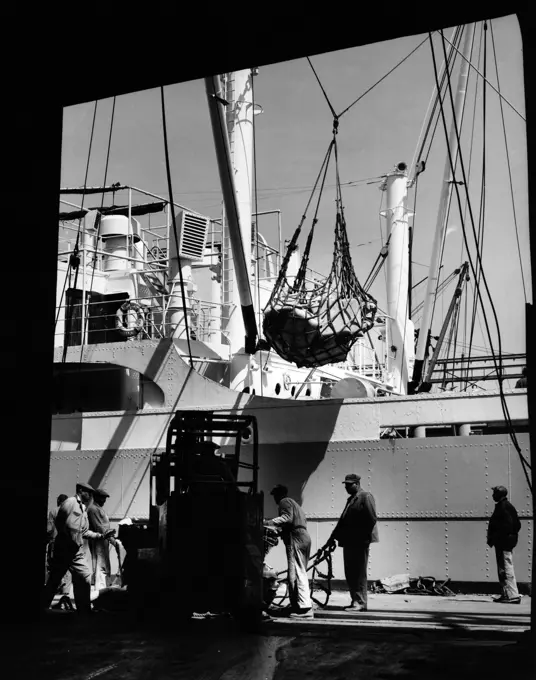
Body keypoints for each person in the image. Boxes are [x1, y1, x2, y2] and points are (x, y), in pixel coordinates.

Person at [42, 482, 115, 615]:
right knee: (55, 578)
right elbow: (60, 522)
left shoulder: (83, 509)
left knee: (83, 575)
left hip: (75, 551)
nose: (91, 495)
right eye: (88, 492)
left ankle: (84, 609)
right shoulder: (70, 503)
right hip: (65, 549)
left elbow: (84, 531)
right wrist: (66, 539)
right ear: (81, 491)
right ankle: (43, 606)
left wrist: (101, 535)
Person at [328, 473, 378, 612]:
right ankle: (355, 600)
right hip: (349, 542)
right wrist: (332, 538)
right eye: (346, 485)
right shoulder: (351, 499)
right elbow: (342, 521)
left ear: (357, 484)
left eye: (349, 485)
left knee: (359, 572)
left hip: (359, 542)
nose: (347, 487)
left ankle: (361, 602)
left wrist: (360, 536)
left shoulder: (365, 497)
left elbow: (371, 519)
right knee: (350, 572)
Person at [263, 484, 313, 619]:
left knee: (296, 573)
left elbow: (287, 518)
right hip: (303, 536)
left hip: (296, 538)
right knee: (298, 571)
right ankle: (297, 604)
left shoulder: (284, 502)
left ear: (279, 494)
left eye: (275, 495)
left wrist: (268, 523)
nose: (274, 498)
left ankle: (304, 608)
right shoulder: (295, 504)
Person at [487, 485, 522, 604]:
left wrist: (498, 537)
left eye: (494, 493)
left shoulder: (503, 507)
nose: (492, 496)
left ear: (499, 494)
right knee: (504, 567)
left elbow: (508, 526)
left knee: (506, 568)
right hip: (505, 542)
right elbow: (517, 525)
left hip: (503, 542)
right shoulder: (506, 506)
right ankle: (506, 594)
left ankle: (512, 595)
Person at [87, 488, 121, 592]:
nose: (104, 501)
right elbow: (100, 528)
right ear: (96, 497)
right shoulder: (93, 509)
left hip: (103, 541)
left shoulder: (98, 508)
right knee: (100, 566)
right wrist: (113, 541)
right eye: (102, 498)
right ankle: (100, 592)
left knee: (104, 566)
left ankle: (103, 590)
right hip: (98, 542)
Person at [45, 494, 71, 593]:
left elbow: (49, 528)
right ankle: (66, 590)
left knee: (54, 565)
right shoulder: (70, 512)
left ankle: (56, 586)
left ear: (59, 501)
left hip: (55, 542)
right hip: (68, 542)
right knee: (67, 565)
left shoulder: (53, 511)